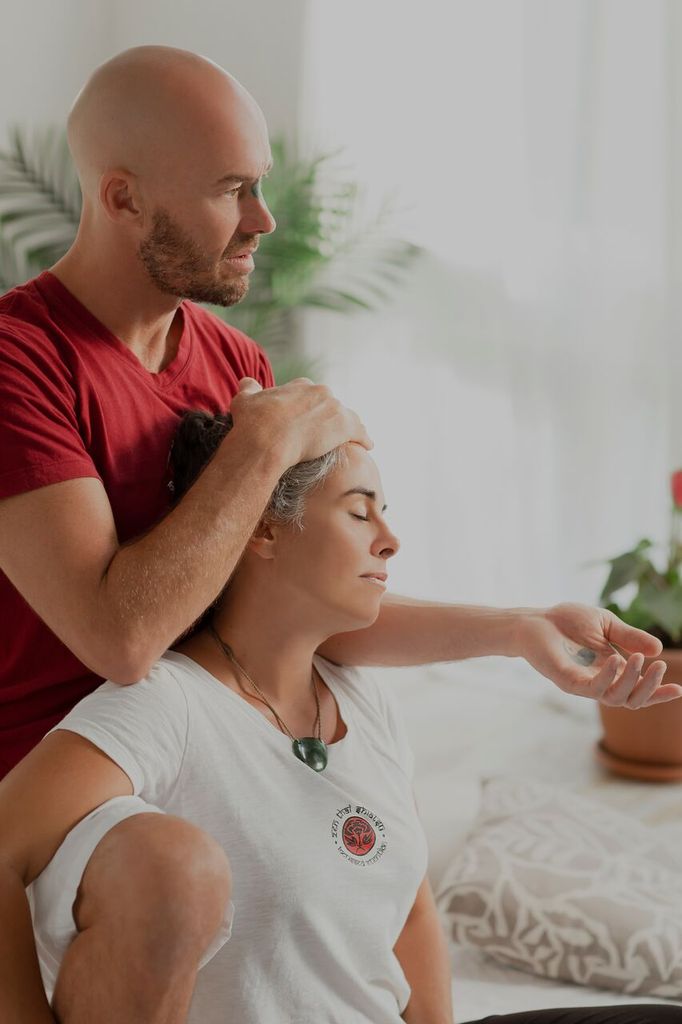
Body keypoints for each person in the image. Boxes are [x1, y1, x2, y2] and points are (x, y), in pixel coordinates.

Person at [0, 42, 679, 1018]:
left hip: (219, 758)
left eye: (260, 183)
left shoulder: (231, 360)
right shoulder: (22, 362)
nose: (263, 219)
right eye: (231, 189)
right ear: (122, 199)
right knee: (176, 868)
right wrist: (261, 444)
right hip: (68, 792)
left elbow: (279, 599)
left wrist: (518, 628)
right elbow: (121, 640)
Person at [4, 410, 681, 1024]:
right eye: (360, 514)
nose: (390, 540)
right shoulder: (166, 704)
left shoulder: (358, 692)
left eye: (384, 513)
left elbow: (411, 910)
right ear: (262, 528)